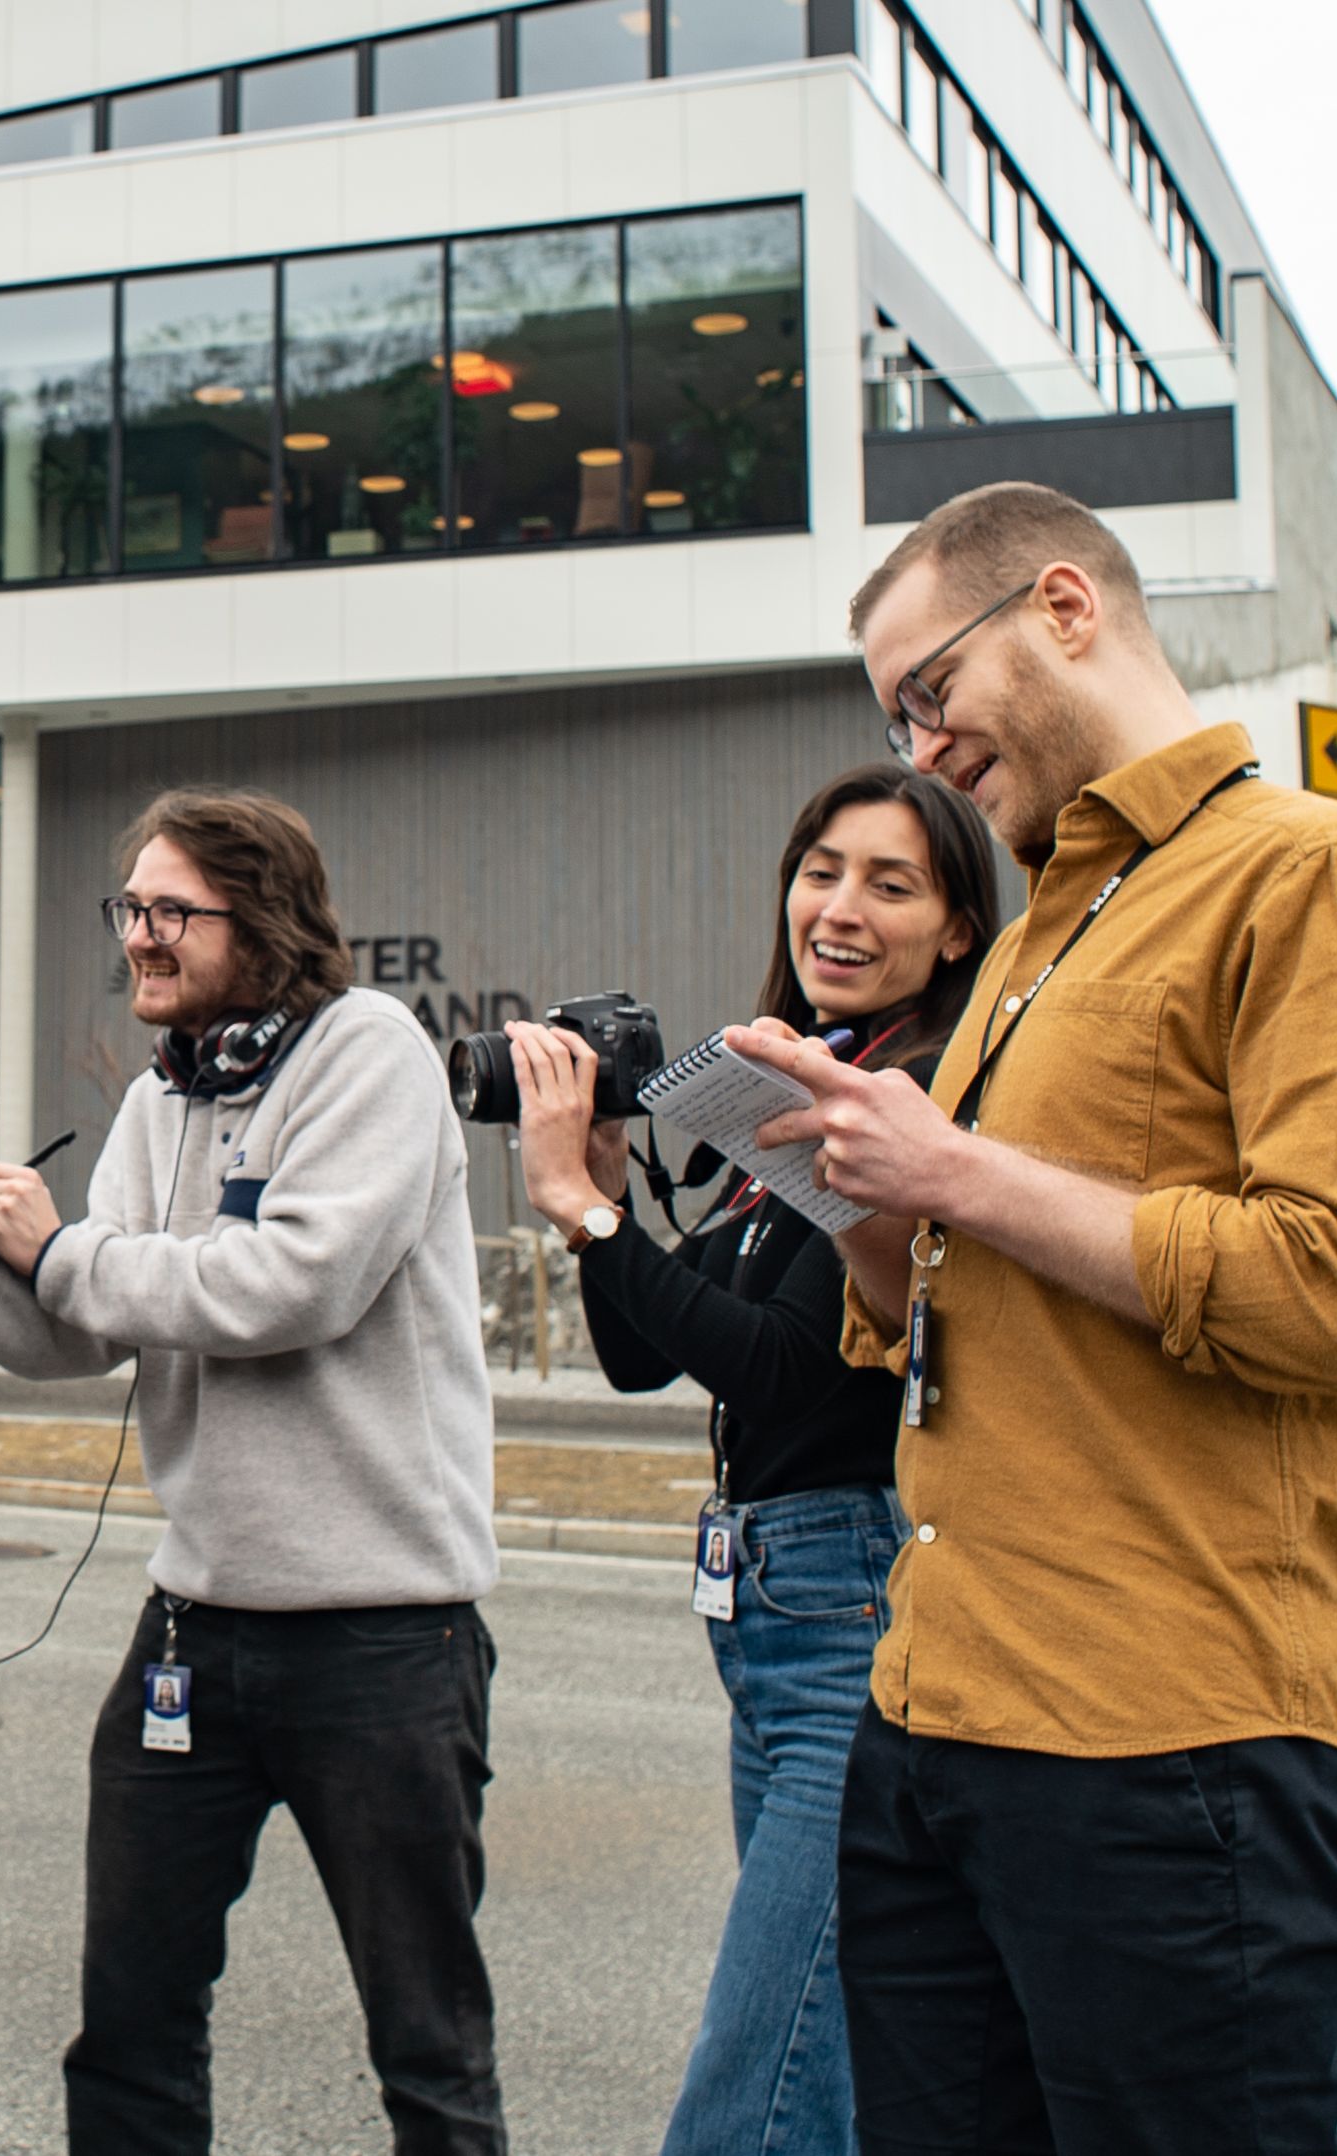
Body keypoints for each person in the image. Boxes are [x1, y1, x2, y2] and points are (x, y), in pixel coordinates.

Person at [728, 482, 1337, 2155]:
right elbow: (944, 1312)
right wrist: (854, 1194)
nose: (917, 748)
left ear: (1062, 608)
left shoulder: (1314, 873)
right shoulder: (1027, 947)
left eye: (925, 692)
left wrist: (957, 1172)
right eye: (889, 715)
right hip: (931, 1717)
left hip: (1170, 1740)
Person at [0, 788, 507, 2156]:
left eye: (168, 913)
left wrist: (58, 1248)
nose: (138, 939)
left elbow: (291, 1285)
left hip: (381, 1637)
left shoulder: (368, 1054)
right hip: (194, 1634)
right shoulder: (162, 1099)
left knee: (426, 2049)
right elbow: (83, 1328)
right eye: (128, 911)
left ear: (260, 920)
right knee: (132, 2024)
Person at [501, 765, 999, 2156]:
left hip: (849, 1607)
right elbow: (647, 1359)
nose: (838, 907)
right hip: (769, 1619)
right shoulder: (794, 1085)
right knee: (818, 2077)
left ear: (959, 931)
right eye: (820, 869)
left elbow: (792, 1363)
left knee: (759, 2094)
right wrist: (596, 1198)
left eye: (890, 884)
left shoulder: (901, 1100)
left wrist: (582, 1215)